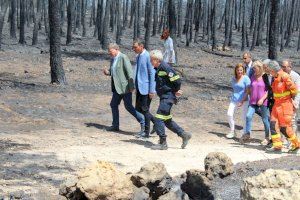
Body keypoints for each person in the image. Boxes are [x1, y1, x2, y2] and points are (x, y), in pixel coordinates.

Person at [149, 50, 191, 150]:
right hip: (164, 97)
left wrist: (176, 91)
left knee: (159, 118)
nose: (150, 62)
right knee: (166, 120)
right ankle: (184, 134)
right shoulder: (158, 68)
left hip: (168, 97)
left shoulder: (165, 67)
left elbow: (176, 79)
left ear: (156, 60)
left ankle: (163, 143)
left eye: (151, 60)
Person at [103, 43, 145, 133]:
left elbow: (130, 72)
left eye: (111, 51)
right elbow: (113, 72)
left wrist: (131, 86)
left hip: (125, 87)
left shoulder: (123, 57)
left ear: (116, 49)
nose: (109, 53)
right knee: (113, 105)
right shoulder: (113, 59)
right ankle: (115, 125)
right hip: (116, 88)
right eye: (109, 52)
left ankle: (143, 121)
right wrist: (107, 72)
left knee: (128, 107)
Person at [264, 60, 300, 153]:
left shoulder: (284, 76)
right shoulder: (275, 78)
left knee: (285, 128)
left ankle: (296, 145)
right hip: (276, 105)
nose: (267, 71)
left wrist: (292, 101)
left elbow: (294, 90)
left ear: (273, 69)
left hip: (285, 106)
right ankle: (277, 146)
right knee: (273, 125)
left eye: (268, 69)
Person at [241, 61, 270, 145]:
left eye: (255, 68)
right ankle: (247, 134)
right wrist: (247, 96)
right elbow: (250, 88)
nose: (253, 70)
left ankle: (267, 137)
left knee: (265, 119)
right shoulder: (252, 76)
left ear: (259, 68)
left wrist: (262, 99)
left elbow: (269, 90)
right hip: (253, 101)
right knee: (248, 115)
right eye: (253, 68)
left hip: (263, 102)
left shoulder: (265, 77)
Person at [132, 40, 156, 138]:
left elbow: (152, 73)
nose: (133, 49)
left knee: (145, 110)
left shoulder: (147, 56)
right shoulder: (138, 56)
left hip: (146, 89)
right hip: (139, 88)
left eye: (135, 47)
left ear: (141, 46)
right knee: (138, 108)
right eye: (133, 47)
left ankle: (146, 133)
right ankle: (156, 122)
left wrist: (151, 90)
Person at [226, 63, 251, 139]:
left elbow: (248, 91)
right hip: (234, 99)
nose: (239, 72)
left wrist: (242, 101)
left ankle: (245, 133)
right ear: (235, 70)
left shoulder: (246, 78)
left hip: (244, 100)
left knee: (244, 117)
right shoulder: (233, 78)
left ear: (243, 70)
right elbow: (235, 89)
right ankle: (232, 131)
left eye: (241, 70)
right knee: (229, 114)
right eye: (238, 70)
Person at [281, 59, 300, 136]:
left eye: (285, 67)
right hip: (283, 102)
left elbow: (298, 91)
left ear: (290, 67)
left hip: (293, 101)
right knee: (283, 121)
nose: (283, 68)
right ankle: (285, 139)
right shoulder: (281, 75)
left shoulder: (296, 76)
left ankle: (293, 140)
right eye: (282, 67)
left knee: (292, 121)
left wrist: (295, 104)